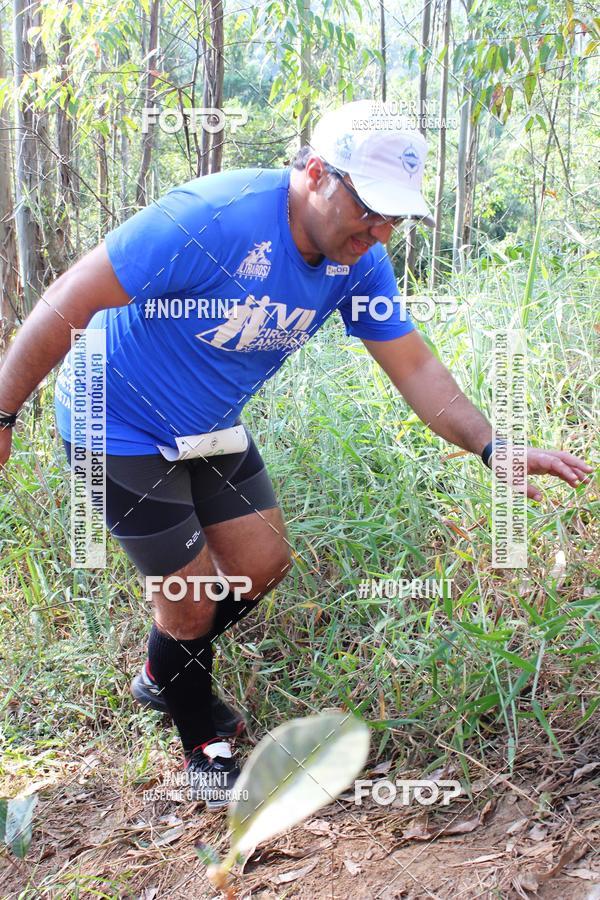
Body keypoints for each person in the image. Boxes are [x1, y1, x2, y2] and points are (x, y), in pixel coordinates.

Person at [0, 100, 592, 808]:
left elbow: (415, 368)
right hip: (116, 422)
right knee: (188, 599)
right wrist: (4, 409)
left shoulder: (358, 263)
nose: (379, 233)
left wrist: (492, 446)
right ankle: (201, 736)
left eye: (395, 219)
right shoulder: (213, 218)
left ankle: (165, 670)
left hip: (210, 425)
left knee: (262, 565)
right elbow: (69, 298)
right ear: (317, 174)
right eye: (369, 210)